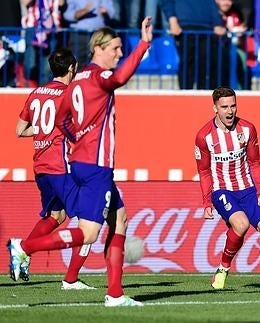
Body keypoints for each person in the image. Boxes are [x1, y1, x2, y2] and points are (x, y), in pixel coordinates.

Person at [7, 16, 153, 307]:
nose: (119, 53)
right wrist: (144, 43)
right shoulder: (98, 77)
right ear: (98, 48)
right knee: (87, 231)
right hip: (94, 166)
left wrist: (77, 134)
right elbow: (120, 78)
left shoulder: (75, 84)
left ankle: (114, 293)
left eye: (122, 48)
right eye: (115, 47)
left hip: (76, 163)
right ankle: (25, 247)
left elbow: (60, 119)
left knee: (119, 219)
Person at [14, 47, 95, 290]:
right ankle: (70, 279)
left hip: (41, 167)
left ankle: (22, 254)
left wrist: (44, 132)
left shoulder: (36, 92)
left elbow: (19, 130)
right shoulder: (69, 94)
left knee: (56, 216)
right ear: (71, 68)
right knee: (90, 222)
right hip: (61, 166)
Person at [195, 86, 260, 290]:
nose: (230, 111)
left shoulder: (248, 129)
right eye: (224, 107)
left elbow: (254, 162)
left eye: (233, 105)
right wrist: (207, 201)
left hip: (249, 189)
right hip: (222, 190)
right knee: (241, 224)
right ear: (214, 108)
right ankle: (223, 268)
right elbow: (205, 172)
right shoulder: (203, 137)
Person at [160, 0, 228, 90]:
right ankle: (185, 98)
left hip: (207, 28)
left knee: (205, 66)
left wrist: (217, 23)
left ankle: (203, 98)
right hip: (184, 27)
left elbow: (211, 3)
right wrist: (173, 21)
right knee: (187, 64)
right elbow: (166, 2)